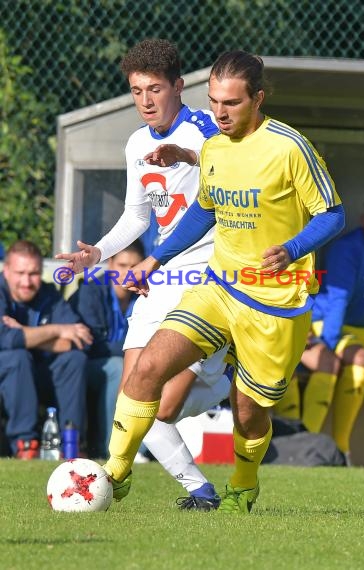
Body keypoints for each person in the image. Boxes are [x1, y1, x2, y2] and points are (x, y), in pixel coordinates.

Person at [98, 49, 344, 514]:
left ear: (258, 99)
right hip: (219, 288)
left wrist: (292, 249)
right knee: (147, 369)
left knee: (250, 415)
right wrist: (155, 258)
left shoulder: (289, 147)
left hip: (274, 303)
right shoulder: (212, 148)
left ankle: (243, 484)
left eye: (230, 103)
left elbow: (332, 214)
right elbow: (204, 212)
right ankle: (113, 472)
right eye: (213, 102)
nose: (219, 113)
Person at [56, 38, 231, 510]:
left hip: (206, 279)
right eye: (136, 91)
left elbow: (226, 175)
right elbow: (137, 218)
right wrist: (96, 253)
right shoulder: (135, 142)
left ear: (178, 85)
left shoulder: (206, 131)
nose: (146, 101)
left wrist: (187, 156)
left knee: (161, 406)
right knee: (133, 400)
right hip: (159, 278)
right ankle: (199, 490)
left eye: (155, 88)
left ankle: (219, 380)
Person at [292, 189, 364, 465]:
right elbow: (336, 305)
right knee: (359, 359)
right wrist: (326, 350)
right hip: (331, 325)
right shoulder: (348, 249)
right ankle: (334, 449)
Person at [0, 240, 92, 458]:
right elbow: (4, 338)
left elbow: (80, 340)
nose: (26, 281)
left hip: (39, 374)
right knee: (17, 357)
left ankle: (71, 446)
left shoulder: (49, 295)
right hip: (8, 376)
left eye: (33, 274)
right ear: (6, 272)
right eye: (20, 272)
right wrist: (58, 329)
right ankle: (25, 444)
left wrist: (22, 332)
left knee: (74, 359)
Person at [69, 241, 144, 458]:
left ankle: (146, 449)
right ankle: (112, 448)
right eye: (122, 265)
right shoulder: (90, 291)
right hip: (90, 367)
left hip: (128, 363)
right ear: (110, 264)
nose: (127, 272)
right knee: (118, 367)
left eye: (134, 266)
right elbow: (93, 345)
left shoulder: (145, 294)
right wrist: (137, 353)